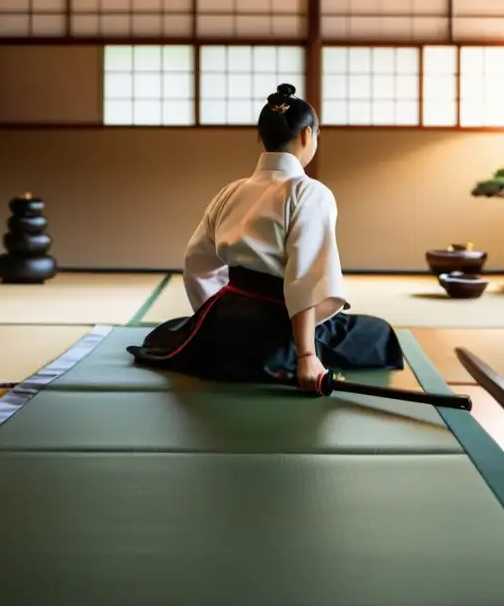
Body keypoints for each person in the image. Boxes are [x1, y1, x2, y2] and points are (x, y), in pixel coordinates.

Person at [129, 83, 405, 393]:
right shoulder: (309, 192)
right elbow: (304, 280)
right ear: (306, 136)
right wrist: (306, 355)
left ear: (263, 137)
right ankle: (282, 355)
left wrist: (214, 320)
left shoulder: (231, 191)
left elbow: (196, 262)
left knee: (167, 333)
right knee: (380, 335)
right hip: (280, 325)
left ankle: (235, 347)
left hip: (226, 322)